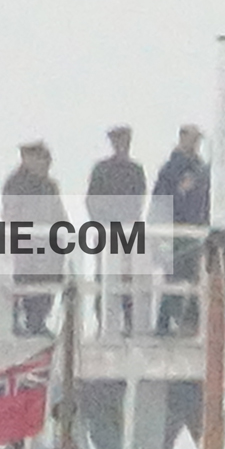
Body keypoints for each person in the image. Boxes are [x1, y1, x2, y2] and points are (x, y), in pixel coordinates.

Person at [2, 141, 68, 337]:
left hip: (48, 244)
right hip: (25, 243)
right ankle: (17, 323)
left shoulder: (50, 185)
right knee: (22, 283)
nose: (44, 164)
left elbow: (59, 212)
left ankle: (38, 322)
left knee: (47, 284)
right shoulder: (15, 183)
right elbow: (10, 213)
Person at [86, 126, 147, 335]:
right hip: (106, 231)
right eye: (119, 141)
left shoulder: (135, 170)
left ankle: (130, 322)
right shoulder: (101, 170)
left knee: (129, 277)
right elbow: (92, 201)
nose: (122, 145)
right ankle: (104, 322)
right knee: (104, 277)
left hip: (129, 231)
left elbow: (139, 200)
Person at [152, 125, 209, 336]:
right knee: (174, 277)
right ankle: (164, 323)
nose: (195, 144)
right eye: (192, 139)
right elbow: (160, 201)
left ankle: (190, 322)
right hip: (176, 229)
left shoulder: (201, 168)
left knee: (197, 277)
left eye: (198, 140)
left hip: (197, 229)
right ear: (182, 138)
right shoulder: (170, 169)